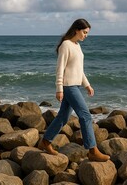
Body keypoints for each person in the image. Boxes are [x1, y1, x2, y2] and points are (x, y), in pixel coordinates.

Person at [38, 18, 110, 162]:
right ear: (76, 30)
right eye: (84, 32)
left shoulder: (77, 45)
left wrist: (87, 85)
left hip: (75, 85)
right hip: (68, 86)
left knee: (63, 117)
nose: (86, 35)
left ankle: (45, 142)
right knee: (86, 116)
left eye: (87, 33)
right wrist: (59, 89)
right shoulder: (66, 45)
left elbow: (79, 70)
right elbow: (60, 69)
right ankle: (92, 150)